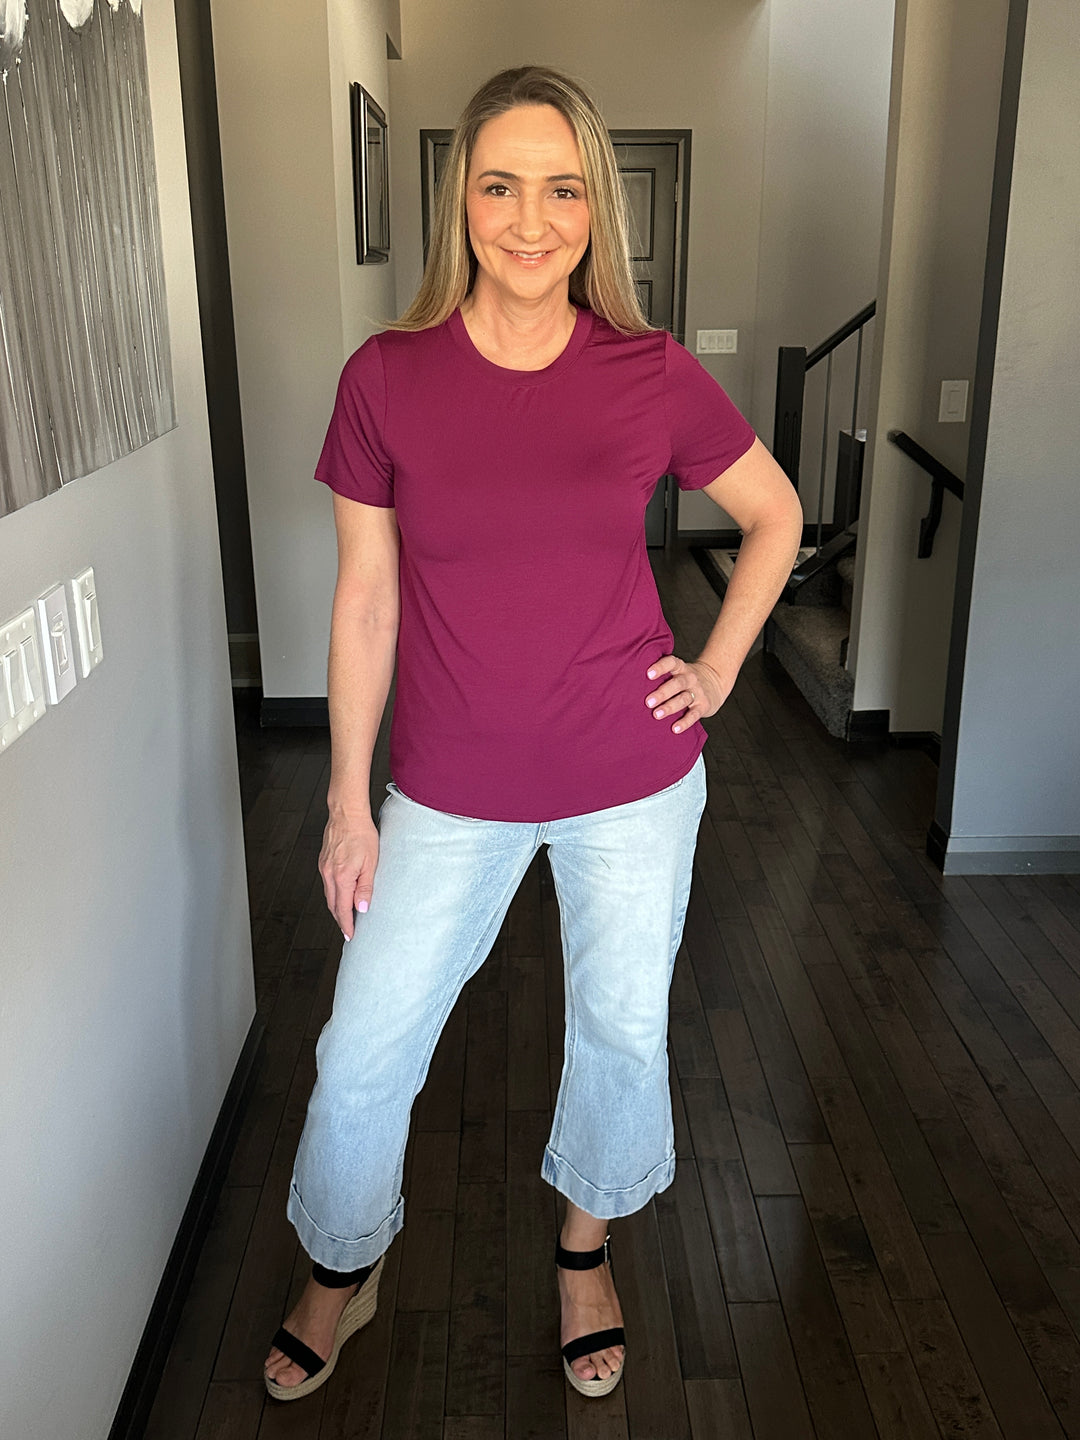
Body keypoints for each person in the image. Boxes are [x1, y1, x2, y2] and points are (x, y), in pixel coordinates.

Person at [264, 65, 803, 1404]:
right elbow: (367, 598)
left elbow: (776, 514)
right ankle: (341, 1262)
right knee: (361, 1051)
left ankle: (583, 1250)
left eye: (562, 190)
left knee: (620, 1034)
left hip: (631, 776)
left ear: (594, 209)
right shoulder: (386, 379)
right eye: (501, 185)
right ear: (463, 200)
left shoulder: (647, 371)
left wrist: (718, 670)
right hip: (448, 788)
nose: (529, 219)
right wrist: (346, 802)